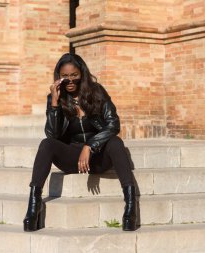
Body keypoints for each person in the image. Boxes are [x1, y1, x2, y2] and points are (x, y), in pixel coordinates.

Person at [23, 53, 137, 232]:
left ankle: (131, 206)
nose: (69, 80)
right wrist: (54, 103)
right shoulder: (56, 97)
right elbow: (52, 134)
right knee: (46, 144)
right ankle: (33, 204)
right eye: (65, 76)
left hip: (98, 156)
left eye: (74, 75)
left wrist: (90, 145)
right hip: (72, 159)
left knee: (115, 142)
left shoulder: (97, 92)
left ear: (82, 74)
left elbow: (113, 124)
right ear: (58, 77)